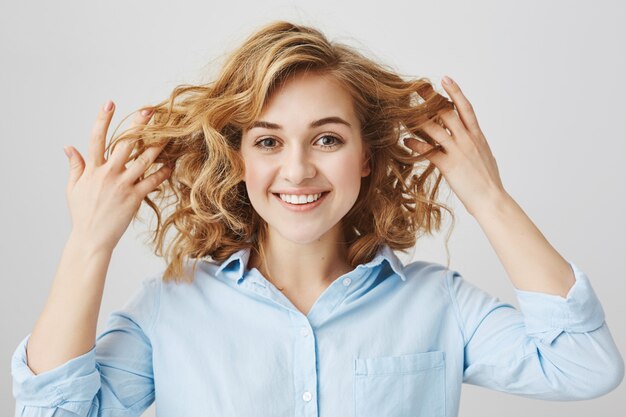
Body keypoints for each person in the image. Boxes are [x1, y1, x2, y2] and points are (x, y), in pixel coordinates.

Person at [11, 20, 624, 417]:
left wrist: (487, 195)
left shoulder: (439, 306)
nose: (298, 170)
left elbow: (584, 365)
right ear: (239, 160)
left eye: (327, 140)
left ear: (365, 157)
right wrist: (88, 243)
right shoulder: (170, 309)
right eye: (269, 142)